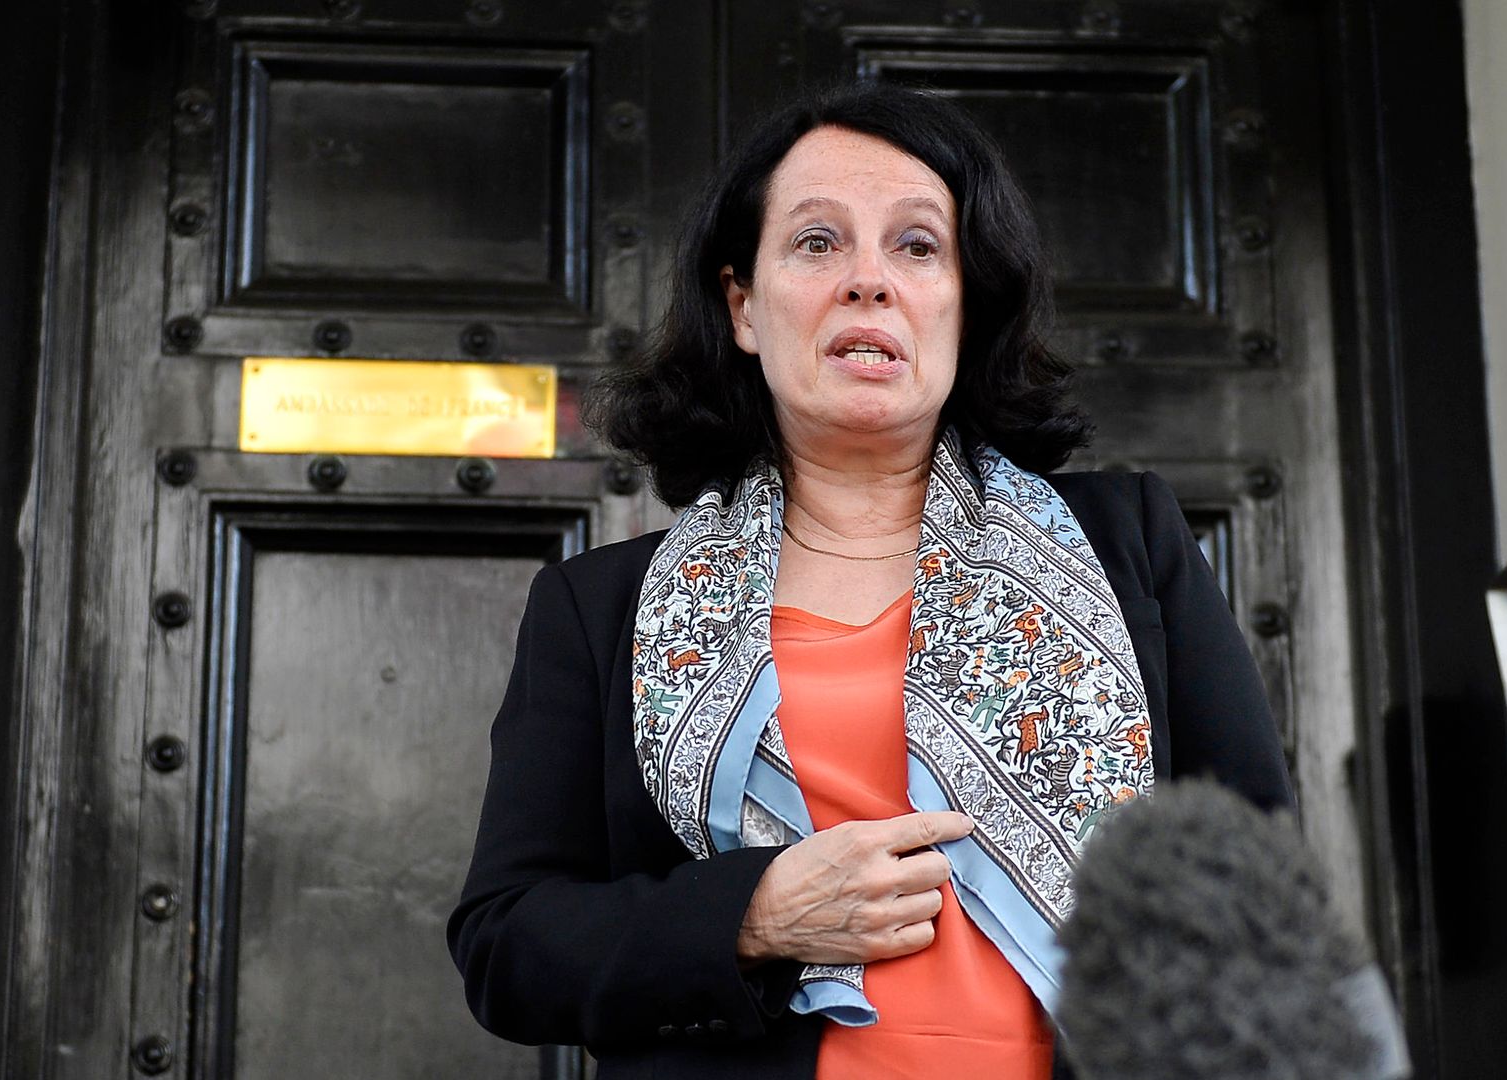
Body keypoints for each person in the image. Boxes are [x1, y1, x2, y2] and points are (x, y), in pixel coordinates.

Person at [448, 82, 1294, 1080]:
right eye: (816, 243)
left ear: (963, 305)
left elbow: (1259, 893)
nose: (868, 280)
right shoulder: (601, 611)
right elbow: (507, 946)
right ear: (743, 306)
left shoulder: (1127, 546)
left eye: (917, 245)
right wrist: (751, 916)